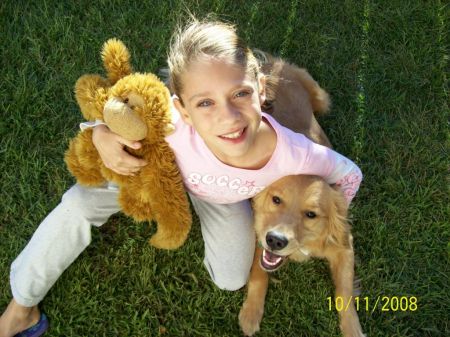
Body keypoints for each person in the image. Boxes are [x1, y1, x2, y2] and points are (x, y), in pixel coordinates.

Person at [0, 18, 362, 337]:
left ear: (261, 91)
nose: (228, 118)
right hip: (156, 164)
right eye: (205, 103)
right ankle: (20, 308)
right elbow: (122, 109)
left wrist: (325, 211)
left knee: (230, 278)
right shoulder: (170, 124)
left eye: (240, 94)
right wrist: (100, 133)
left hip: (221, 197)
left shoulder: (294, 153)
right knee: (80, 203)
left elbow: (349, 176)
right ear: (181, 108)